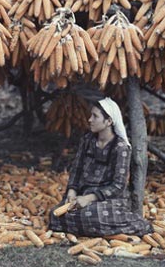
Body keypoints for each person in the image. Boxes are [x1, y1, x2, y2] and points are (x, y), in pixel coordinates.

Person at [48, 97, 153, 237]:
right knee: (55, 215)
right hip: (83, 195)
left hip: (110, 200)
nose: (90, 119)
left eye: (95, 116)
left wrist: (89, 198)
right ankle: (94, 227)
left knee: (91, 216)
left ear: (109, 121)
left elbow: (118, 186)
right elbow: (77, 170)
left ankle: (139, 224)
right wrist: (72, 191)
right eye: (91, 115)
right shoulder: (87, 140)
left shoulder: (120, 148)